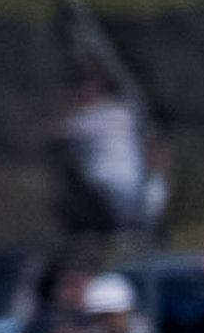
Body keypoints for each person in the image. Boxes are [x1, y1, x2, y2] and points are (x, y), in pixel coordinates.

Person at [58, 72, 148, 240]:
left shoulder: (94, 116)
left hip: (108, 183)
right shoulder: (124, 111)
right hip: (131, 182)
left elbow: (64, 132)